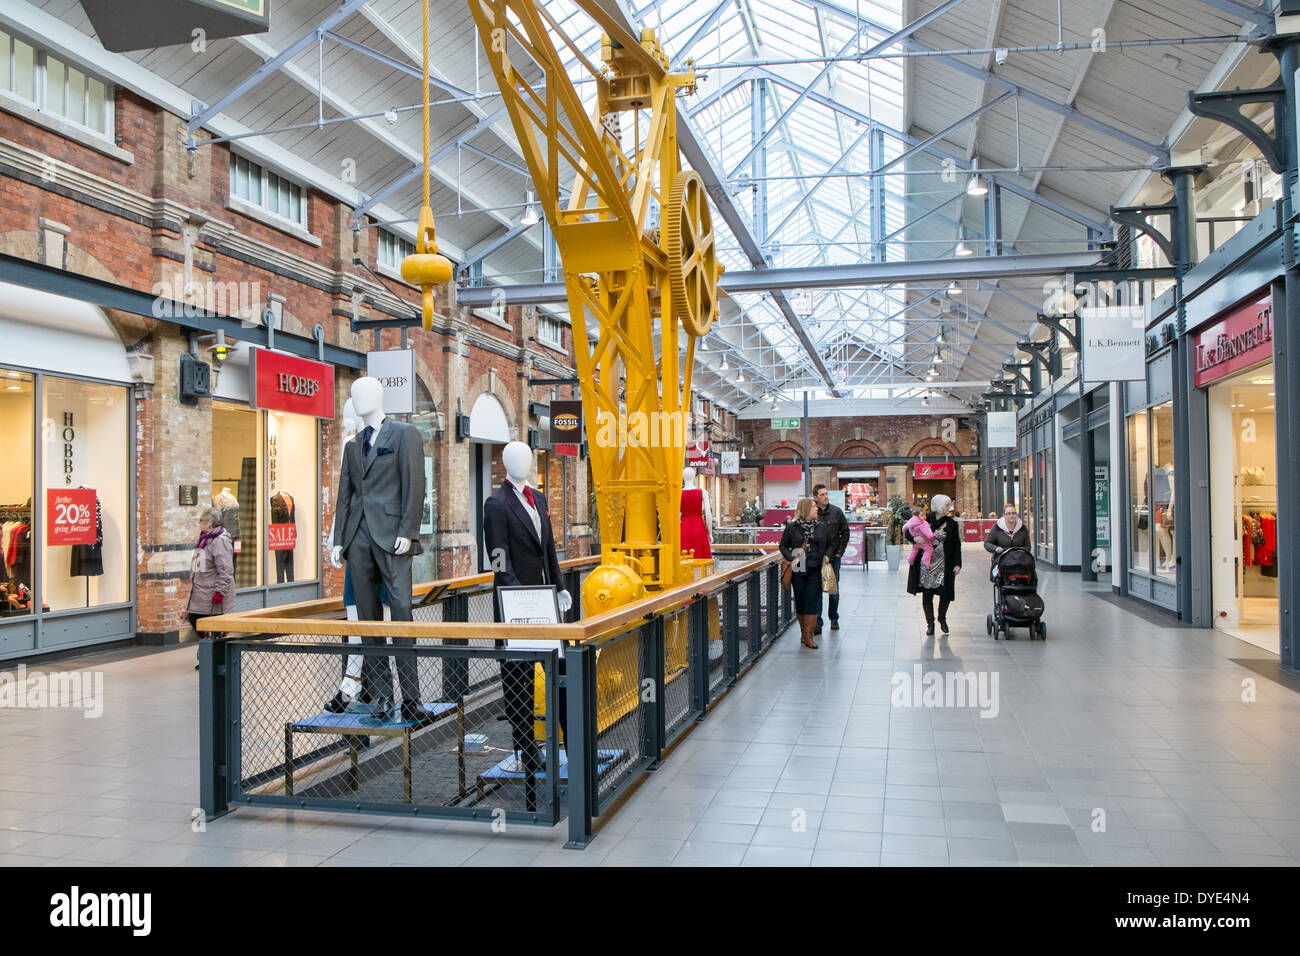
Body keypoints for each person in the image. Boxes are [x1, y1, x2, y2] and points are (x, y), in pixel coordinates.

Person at [906, 494, 961, 636]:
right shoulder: (924, 519)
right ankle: (930, 623)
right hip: (926, 563)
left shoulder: (952, 524)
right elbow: (907, 529)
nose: (949, 508)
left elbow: (956, 545)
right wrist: (914, 538)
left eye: (950, 505)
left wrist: (957, 563)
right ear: (939, 506)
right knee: (927, 594)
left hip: (945, 563)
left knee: (946, 593)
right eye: (947, 505)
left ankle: (942, 617)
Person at [188, 506, 234, 669]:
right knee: (196, 619)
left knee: (211, 627)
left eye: (201, 521)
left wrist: (219, 592)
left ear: (210, 523)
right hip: (200, 590)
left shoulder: (220, 541)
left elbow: (225, 569)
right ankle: (208, 656)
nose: (199, 524)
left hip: (211, 591)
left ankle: (211, 659)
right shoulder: (204, 539)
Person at [780, 497, 829, 649]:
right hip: (799, 568)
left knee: (811, 600)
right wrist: (791, 558)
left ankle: (809, 636)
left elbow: (830, 545)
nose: (817, 509)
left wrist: (828, 555)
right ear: (806, 509)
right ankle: (803, 634)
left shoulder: (822, 526)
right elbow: (783, 546)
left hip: (815, 567)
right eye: (814, 507)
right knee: (800, 601)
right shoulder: (792, 527)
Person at [813, 483, 848, 633]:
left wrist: (839, 552)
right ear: (815, 497)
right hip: (816, 559)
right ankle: (818, 623)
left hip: (833, 558)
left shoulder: (836, 512)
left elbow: (845, 533)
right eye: (822, 494)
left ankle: (834, 617)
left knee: (833, 590)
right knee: (817, 591)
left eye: (826, 494)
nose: (825, 497)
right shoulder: (812, 512)